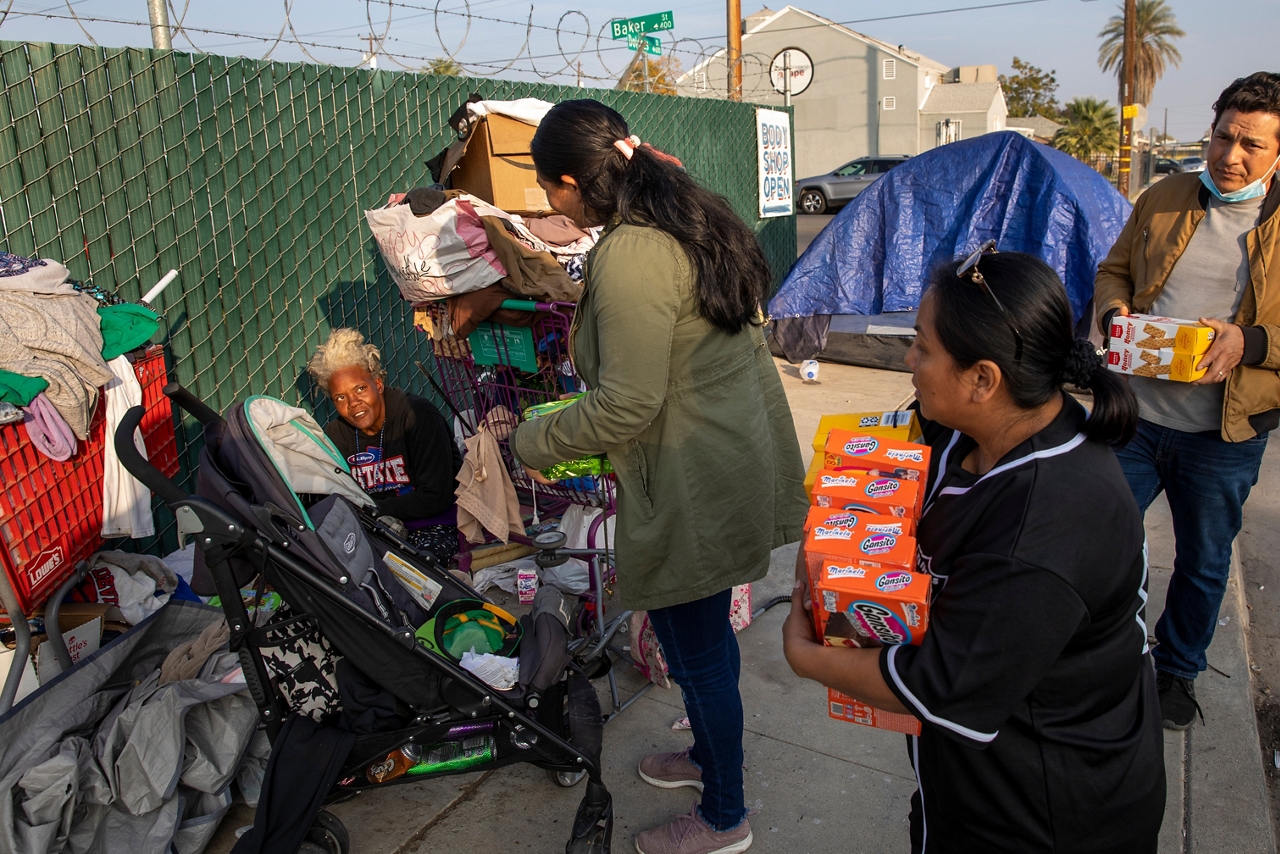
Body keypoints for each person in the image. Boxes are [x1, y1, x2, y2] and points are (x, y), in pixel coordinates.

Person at [783, 249, 1165, 853]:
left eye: (922, 346)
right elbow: (883, 477)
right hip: (963, 778)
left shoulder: (1043, 527)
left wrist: (807, 655)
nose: (908, 360)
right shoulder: (970, 426)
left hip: (1040, 812)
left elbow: (942, 686)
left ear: (984, 378)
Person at [510, 100, 807, 854]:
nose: (551, 205)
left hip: (691, 477)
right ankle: (709, 759)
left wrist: (534, 438)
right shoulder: (684, 211)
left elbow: (628, 404)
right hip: (715, 457)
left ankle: (724, 816)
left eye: (550, 189)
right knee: (697, 636)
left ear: (575, 183)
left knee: (698, 647)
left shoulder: (634, 251)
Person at [1095, 71, 1280, 730]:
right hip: (1135, 419)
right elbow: (1113, 269)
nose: (1231, 156)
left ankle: (1177, 671)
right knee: (1105, 540)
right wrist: (1114, 309)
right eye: (1224, 137)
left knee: (1204, 563)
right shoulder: (1166, 195)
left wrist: (1251, 340)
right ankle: (1101, 657)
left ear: (1277, 152)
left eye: (1252, 145)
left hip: (1223, 438)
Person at [306, 328, 462, 563]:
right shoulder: (336, 435)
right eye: (341, 398)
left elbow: (436, 498)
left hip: (431, 523)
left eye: (360, 389)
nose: (353, 403)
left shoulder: (417, 416)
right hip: (372, 527)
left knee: (418, 569)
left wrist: (367, 508)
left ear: (378, 384)